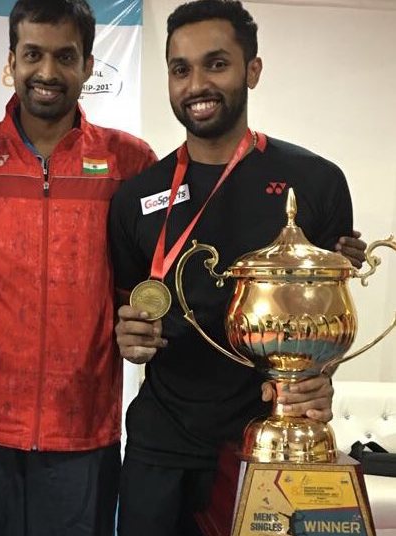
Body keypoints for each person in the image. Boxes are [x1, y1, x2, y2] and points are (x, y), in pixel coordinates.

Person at [109, 2, 366, 535]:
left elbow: (325, 321)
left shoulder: (315, 184)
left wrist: (318, 378)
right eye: (181, 69)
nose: (196, 83)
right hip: (161, 443)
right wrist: (127, 333)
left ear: (252, 69)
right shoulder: (137, 198)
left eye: (216, 63)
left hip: (268, 438)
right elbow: (126, 304)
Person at [0, 1, 157, 534]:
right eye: (33, 55)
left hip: (84, 431)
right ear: (11, 61)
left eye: (64, 56)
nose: (47, 73)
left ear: (89, 65)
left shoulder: (131, 162)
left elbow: (172, 263)